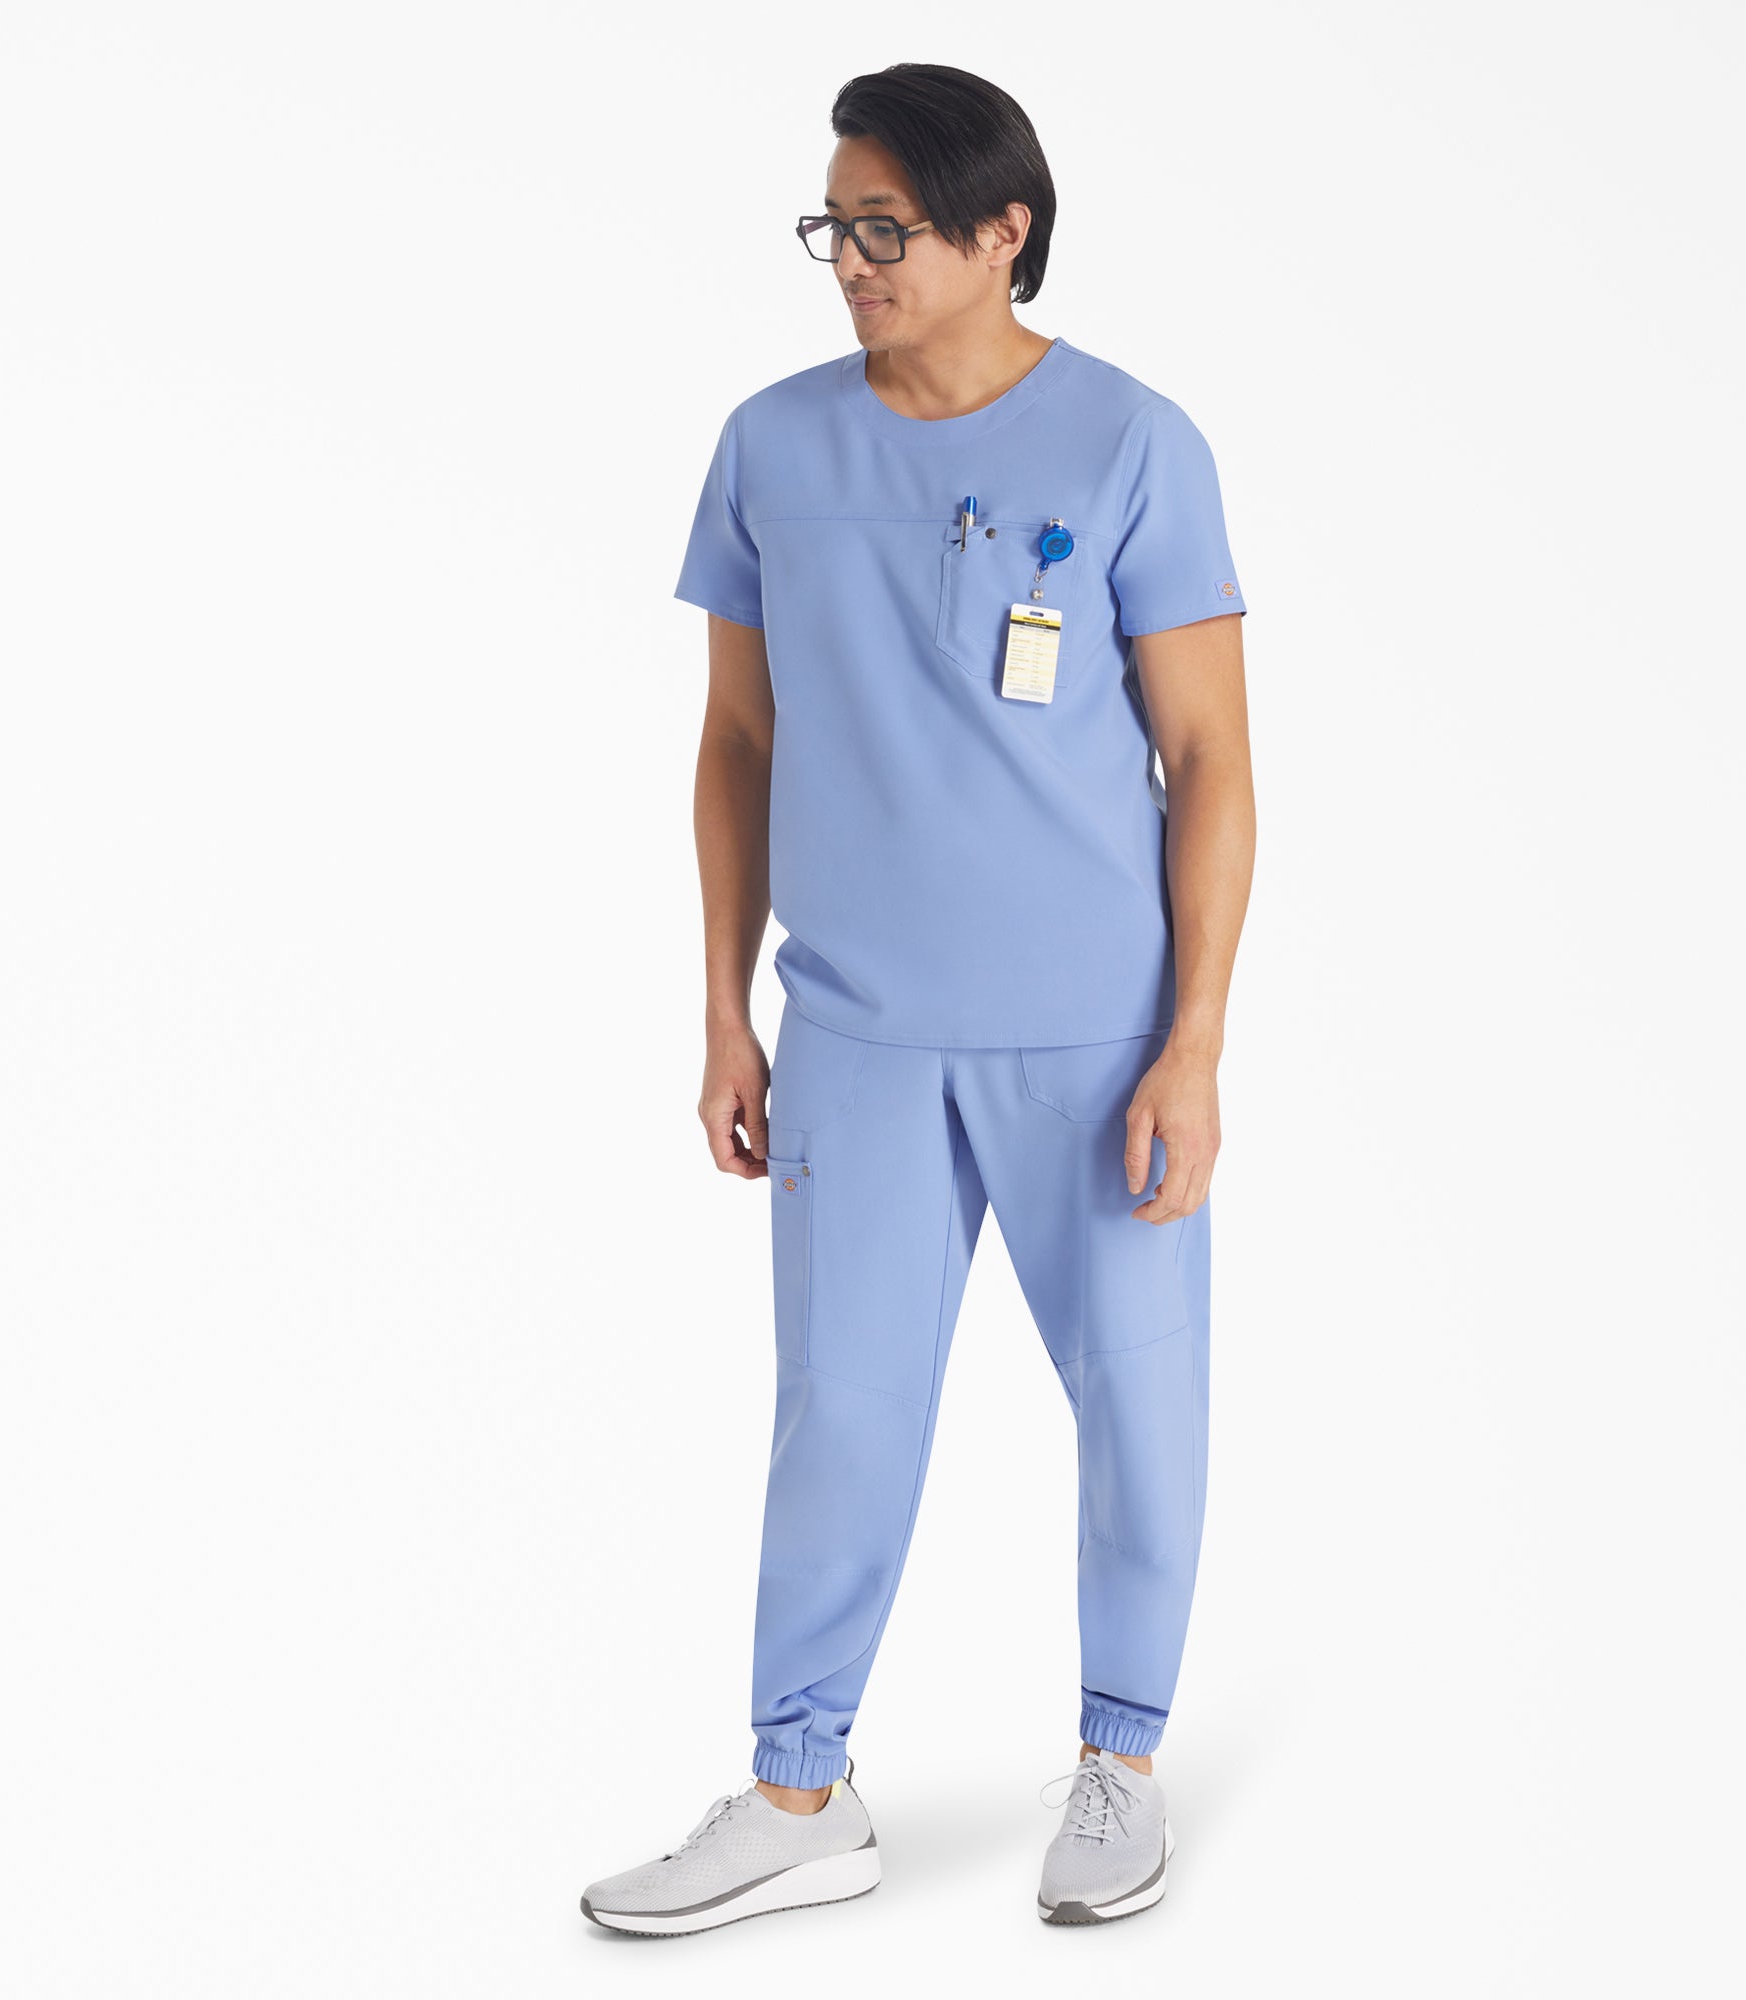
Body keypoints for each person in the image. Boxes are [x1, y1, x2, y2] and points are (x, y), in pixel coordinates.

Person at [582, 62, 1255, 1937]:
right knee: (843, 1409)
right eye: (835, 225)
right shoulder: (773, 447)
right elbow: (735, 741)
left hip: (1095, 1037)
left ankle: (1121, 1763)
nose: (852, 260)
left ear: (1000, 232)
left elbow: (1212, 760)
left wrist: (1195, 1044)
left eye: (885, 228)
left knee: (1137, 1398)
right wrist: (725, 1011)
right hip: (858, 1034)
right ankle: (801, 1789)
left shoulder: (1133, 445)